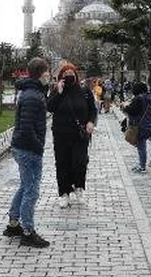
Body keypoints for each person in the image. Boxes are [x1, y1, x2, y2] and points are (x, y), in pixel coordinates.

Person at [3, 57, 51, 248]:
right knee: (32, 189)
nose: (49, 75)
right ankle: (27, 231)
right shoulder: (32, 96)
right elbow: (26, 127)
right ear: (41, 72)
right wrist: (38, 145)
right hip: (28, 148)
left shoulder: (33, 91)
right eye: (47, 71)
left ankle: (14, 223)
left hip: (23, 147)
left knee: (25, 186)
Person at [47, 62, 97, 208]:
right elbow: (49, 107)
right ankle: (64, 193)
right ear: (61, 77)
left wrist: (91, 122)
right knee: (62, 163)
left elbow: (92, 110)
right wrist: (59, 92)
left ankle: (79, 188)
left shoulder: (84, 90)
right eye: (65, 74)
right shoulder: (56, 90)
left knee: (80, 162)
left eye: (71, 74)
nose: (69, 76)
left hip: (79, 134)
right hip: (61, 133)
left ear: (75, 75)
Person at [122, 81, 151, 173]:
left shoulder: (139, 99)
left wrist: (125, 106)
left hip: (140, 125)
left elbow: (133, 111)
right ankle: (141, 164)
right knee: (141, 145)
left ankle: (142, 166)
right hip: (147, 123)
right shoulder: (147, 98)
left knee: (141, 145)